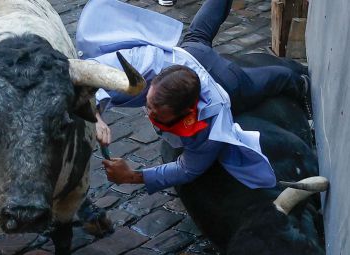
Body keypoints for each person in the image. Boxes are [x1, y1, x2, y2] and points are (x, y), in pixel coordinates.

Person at [76, 0, 310, 194]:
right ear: (157, 78)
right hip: (188, 55)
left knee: (272, 78)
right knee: (197, 36)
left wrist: (132, 176)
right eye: (149, 102)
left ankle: (299, 80)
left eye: (157, 112)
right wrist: (96, 116)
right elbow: (96, 71)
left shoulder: (209, 127)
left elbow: (187, 169)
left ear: (187, 113)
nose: (149, 111)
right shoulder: (148, 61)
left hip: (224, 80)